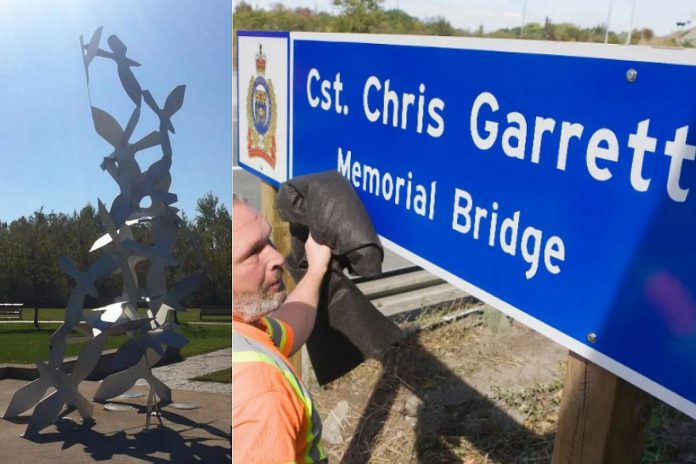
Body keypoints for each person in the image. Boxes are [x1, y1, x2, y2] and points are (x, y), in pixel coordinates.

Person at [232, 195, 331, 463]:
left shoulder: (239, 326)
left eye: (268, 240)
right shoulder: (263, 396)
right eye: (253, 253)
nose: (277, 256)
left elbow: (285, 329)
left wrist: (316, 270)